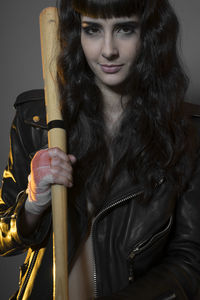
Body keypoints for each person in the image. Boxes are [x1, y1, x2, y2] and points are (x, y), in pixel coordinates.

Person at [1, 0, 200, 299]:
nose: (108, 50)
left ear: (150, 33)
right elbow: (3, 240)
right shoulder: (36, 121)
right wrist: (31, 205)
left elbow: (190, 263)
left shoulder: (188, 135)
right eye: (92, 29)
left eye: (124, 29)